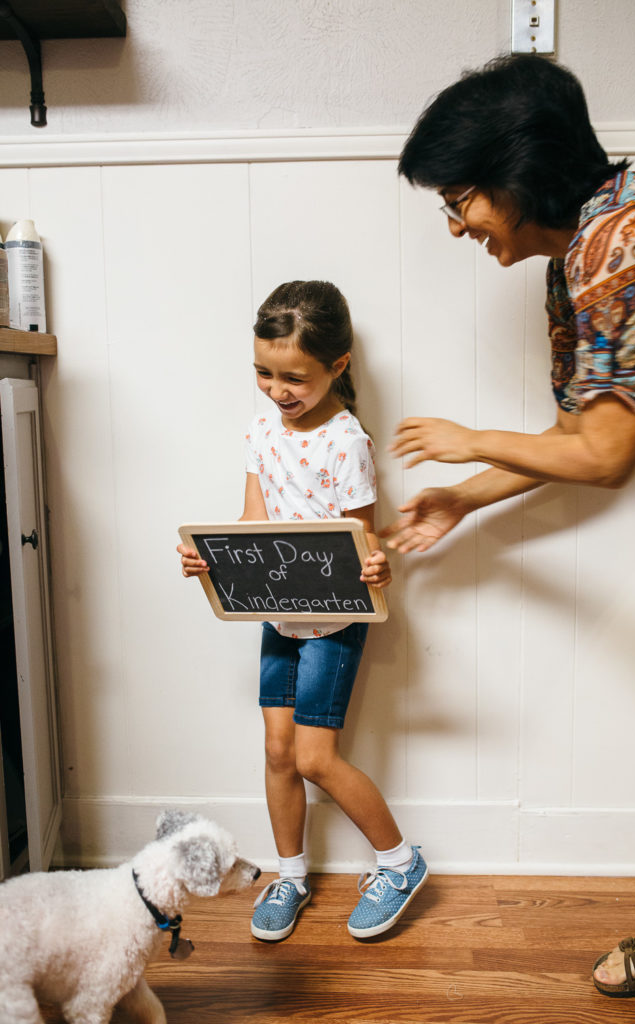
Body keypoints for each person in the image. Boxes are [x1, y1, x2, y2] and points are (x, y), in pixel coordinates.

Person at [382, 54, 635, 996]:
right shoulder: (579, 254)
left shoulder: (623, 236)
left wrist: (469, 436)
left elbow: (604, 457)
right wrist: (463, 496)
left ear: (519, 173)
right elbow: (570, 435)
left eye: (461, 197)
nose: (454, 223)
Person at [178, 280, 428, 942]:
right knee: (278, 750)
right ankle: (290, 873)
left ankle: (400, 863)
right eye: (263, 371)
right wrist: (212, 558)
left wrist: (376, 564)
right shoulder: (260, 431)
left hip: (334, 622)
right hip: (277, 615)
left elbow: (361, 539)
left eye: (294, 376)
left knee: (316, 757)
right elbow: (252, 524)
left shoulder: (347, 441)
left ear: (337, 366)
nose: (276, 388)